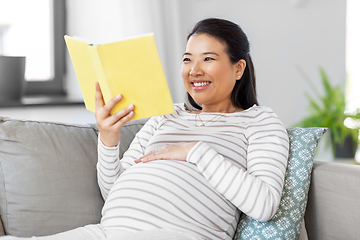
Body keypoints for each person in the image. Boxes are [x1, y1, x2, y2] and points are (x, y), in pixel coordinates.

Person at [2, 18, 289, 240]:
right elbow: (113, 189)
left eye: (208, 59)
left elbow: (264, 204)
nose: (194, 70)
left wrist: (194, 151)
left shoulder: (259, 122)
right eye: (187, 59)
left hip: (178, 233)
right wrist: (109, 138)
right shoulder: (166, 115)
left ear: (238, 69)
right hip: (108, 231)